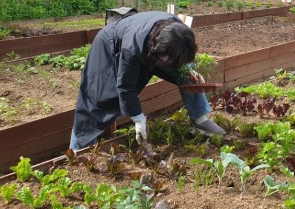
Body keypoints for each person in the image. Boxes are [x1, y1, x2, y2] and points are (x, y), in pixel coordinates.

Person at [70, 11, 225, 150]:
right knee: (96, 98)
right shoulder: (131, 49)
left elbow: (182, 57)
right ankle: (79, 146)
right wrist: (138, 118)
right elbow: (125, 86)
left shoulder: (177, 31)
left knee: (185, 75)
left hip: (150, 43)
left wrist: (190, 69)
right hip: (109, 46)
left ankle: (200, 119)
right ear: (159, 54)